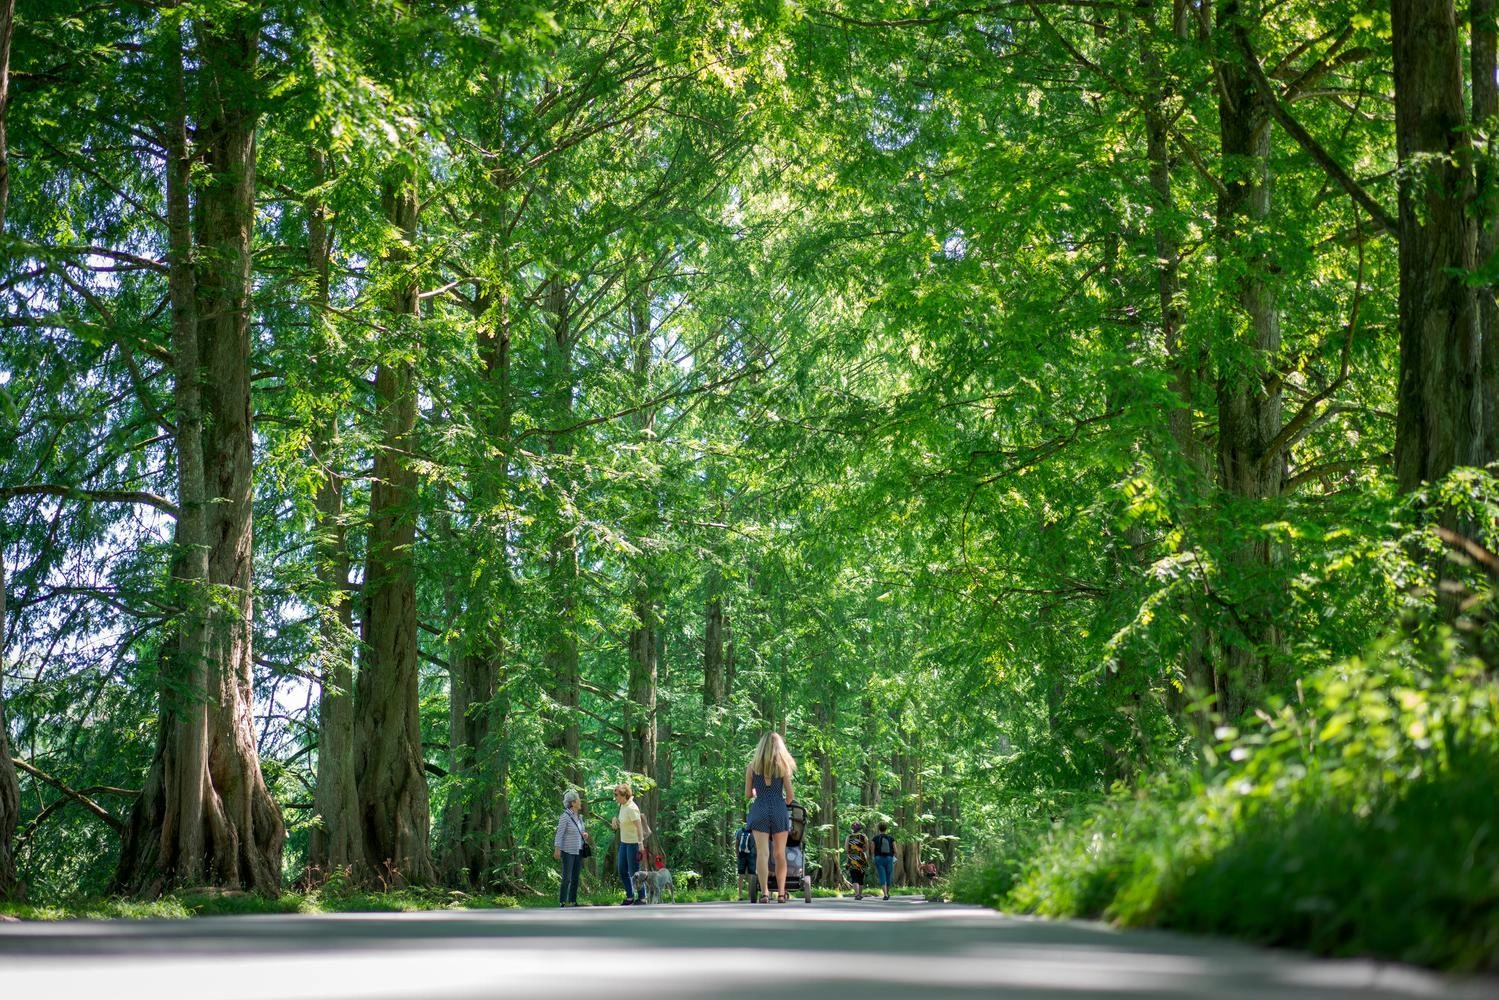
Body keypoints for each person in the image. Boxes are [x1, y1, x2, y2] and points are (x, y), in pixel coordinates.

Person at [744, 731, 796, 903]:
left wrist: (756, 791)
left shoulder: (752, 767)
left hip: (759, 809)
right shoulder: (783, 768)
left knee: (762, 854)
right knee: (780, 854)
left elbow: (747, 795)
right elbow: (790, 796)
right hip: (779, 809)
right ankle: (781, 893)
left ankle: (765, 893)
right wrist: (783, 800)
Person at [611, 783, 647, 905]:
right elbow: (624, 823)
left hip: (633, 844)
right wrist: (615, 821)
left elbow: (639, 827)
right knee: (622, 870)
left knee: (634, 872)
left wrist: (640, 844)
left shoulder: (632, 807)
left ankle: (642, 897)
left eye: (616, 795)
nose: (615, 797)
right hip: (624, 843)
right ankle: (630, 896)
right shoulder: (622, 806)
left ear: (624, 795)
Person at [553, 789, 589, 907]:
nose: (580, 802)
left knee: (575, 877)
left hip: (578, 850)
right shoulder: (565, 816)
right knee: (567, 877)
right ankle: (562, 901)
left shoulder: (579, 817)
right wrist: (557, 848)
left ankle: (573, 901)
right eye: (578, 800)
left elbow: (581, 831)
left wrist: (584, 834)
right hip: (568, 851)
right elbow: (559, 833)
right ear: (573, 803)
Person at [844, 821, 870, 900]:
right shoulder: (864, 836)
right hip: (861, 857)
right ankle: (860, 894)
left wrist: (850, 853)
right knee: (860, 876)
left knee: (854, 876)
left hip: (852, 858)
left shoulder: (849, 837)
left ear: (852, 828)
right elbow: (866, 847)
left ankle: (857, 894)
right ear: (860, 829)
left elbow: (846, 848)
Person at [871, 821, 897, 900]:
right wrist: (894, 857)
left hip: (879, 858)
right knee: (888, 876)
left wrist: (873, 857)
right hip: (889, 858)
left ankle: (885, 894)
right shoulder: (891, 838)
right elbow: (896, 850)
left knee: (882, 876)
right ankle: (888, 893)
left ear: (879, 829)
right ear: (886, 829)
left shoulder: (875, 838)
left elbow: (872, 850)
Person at [734, 816, 754, 900]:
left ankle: (740, 895)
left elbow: (736, 844)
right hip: (751, 856)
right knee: (750, 876)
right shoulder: (754, 832)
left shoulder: (739, 831)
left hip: (741, 855)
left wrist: (737, 854)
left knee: (741, 875)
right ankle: (750, 895)